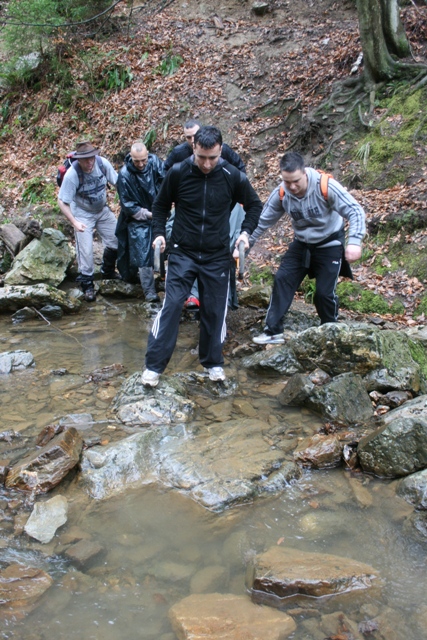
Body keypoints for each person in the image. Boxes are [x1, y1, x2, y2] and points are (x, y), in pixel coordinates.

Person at [141, 125, 263, 387]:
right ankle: (153, 367)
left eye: (213, 157)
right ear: (193, 147)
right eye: (202, 157)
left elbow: (254, 206)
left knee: (214, 310)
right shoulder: (178, 172)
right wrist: (159, 233)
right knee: (172, 306)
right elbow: (160, 206)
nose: (207, 164)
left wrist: (245, 234)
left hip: (217, 254)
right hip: (183, 251)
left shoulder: (232, 176)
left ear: (220, 151)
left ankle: (213, 363)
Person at [250, 152, 366, 344]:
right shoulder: (282, 193)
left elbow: (355, 211)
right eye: (288, 182)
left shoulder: (325, 186)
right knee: (282, 279)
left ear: (304, 173)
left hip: (329, 244)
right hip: (302, 243)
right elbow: (262, 221)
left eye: (296, 181)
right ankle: (273, 331)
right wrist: (246, 242)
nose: (292, 187)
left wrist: (354, 241)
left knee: (323, 293)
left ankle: (330, 330)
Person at [164, 118, 247, 309]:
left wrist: (235, 194)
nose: (207, 163)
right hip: (190, 205)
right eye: (188, 138)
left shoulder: (224, 155)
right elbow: (166, 176)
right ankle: (193, 295)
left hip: (223, 203)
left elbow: (240, 172)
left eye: (212, 158)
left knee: (226, 249)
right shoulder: (178, 155)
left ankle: (226, 300)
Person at [58, 141, 119, 302]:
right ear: (79, 160)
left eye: (92, 158)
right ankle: (87, 285)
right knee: (86, 250)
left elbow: (119, 183)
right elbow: (62, 202)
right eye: (86, 160)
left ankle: (107, 270)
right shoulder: (72, 174)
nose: (90, 162)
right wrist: (74, 222)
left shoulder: (102, 163)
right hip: (82, 214)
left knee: (117, 240)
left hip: (102, 210)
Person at [115, 141, 165, 302]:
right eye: (137, 161)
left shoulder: (155, 162)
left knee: (167, 245)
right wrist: (150, 214)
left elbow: (165, 182)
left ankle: (164, 279)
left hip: (159, 211)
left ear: (147, 154)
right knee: (143, 251)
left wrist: (163, 206)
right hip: (137, 217)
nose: (141, 164)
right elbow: (128, 205)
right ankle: (149, 291)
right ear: (131, 157)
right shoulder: (124, 175)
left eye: (144, 160)